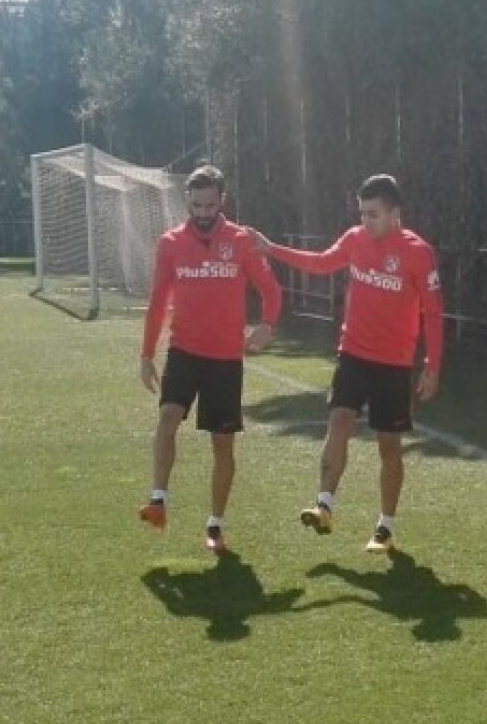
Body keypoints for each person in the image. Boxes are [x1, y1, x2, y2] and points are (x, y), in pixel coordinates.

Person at [253, 174, 443, 554]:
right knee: (338, 420)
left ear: (395, 213)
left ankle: (385, 528)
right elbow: (321, 263)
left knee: (388, 446)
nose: (365, 221)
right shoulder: (354, 239)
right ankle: (324, 505)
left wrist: (432, 366)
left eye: (373, 214)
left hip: (394, 364)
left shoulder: (418, 252)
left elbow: (433, 313)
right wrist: (271, 248)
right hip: (353, 353)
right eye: (362, 213)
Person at [138, 164, 282, 553]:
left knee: (222, 444)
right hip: (183, 351)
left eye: (209, 204)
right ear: (188, 201)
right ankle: (158, 501)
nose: (202, 212)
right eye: (196, 204)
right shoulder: (170, 243)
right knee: (167, 418)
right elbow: (157, 301)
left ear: (222, 202)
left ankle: (215, 525)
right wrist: (146, 353)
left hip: (224, 359)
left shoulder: (241, 241)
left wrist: (267, 325)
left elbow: (271, 290)